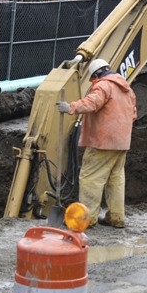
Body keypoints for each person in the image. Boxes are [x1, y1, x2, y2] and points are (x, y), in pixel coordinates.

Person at [56, 58, 137, 227]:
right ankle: (117, 217)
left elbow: (92, 103)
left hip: (102, 142)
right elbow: (133, 115)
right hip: (122, 143)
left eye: (92, 79)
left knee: (90, 178)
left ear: (97, 74)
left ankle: (87, 219)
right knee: (115, 179)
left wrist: (70, 107)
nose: (93, 83)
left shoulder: (103, 85)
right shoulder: (127, 89)